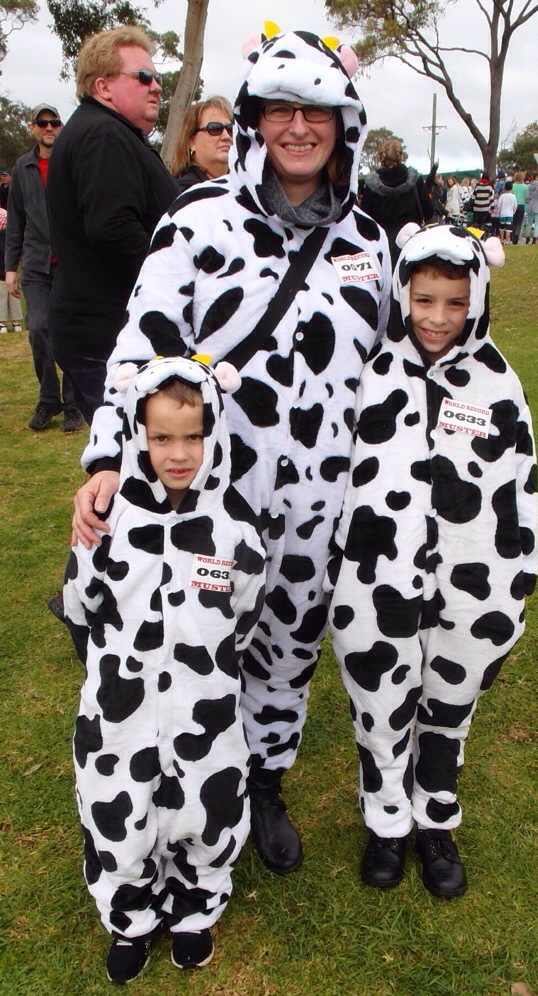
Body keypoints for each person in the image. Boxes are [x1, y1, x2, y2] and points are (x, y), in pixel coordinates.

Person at [71, 27, 391, 877]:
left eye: (316, 110)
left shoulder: (370, 243)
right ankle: (184, 789)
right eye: (280, 109)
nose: (298, 127)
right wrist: (107, 459)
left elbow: (393, 375)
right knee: (198, 649)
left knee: (289, 647)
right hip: (210, 500)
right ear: (254, 119)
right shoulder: (196, 220)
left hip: (322, 505)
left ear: (343, 122)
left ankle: (263, 784)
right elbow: (140, 347)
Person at [327, 222, 538, 897]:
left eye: (454, 302)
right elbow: (339, 477)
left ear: (476, 300)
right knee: (380, 705)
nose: (438, 318)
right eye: (424, 300)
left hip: (472, 583)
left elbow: (521, 486)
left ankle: (435, 818)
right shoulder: (373, 374)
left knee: (448, 706)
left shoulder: (498, 382)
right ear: (403, 295)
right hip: (376, 579)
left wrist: (517, 578)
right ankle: (387, 820)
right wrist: (339, 566)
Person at [63, 355, 265, 984]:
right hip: (119, 708)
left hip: (206, 705)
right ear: (137, 435)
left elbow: (245, 613)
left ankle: (196, 909)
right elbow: (80, 602)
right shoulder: (110, 518)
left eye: (193, 436)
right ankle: (129, 917)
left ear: (214, 434)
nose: (179, 454)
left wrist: (206, 666)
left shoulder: (234, 529)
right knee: (117, 808)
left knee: (210, 805)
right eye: (161, 437)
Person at [46, 25, 179, 425]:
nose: (156, 86)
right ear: (103, 87)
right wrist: (173, 283)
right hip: (108, 338)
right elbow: (112, 228)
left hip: (104, 332)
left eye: (156, 76)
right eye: (143, 76)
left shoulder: (109, 132)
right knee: (130, 453)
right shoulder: (103, 134)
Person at [5, 104, 83, 432]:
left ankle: (73, 404)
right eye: (42, 122)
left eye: (54, 122)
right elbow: (16, 220)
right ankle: (48, 399)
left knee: (68, 333)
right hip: (35, 265)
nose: (49, 127)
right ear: (33, 128)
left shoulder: (72, 162)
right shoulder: (22, 167)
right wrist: (10, 267)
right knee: (37, 329)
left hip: (69, 265)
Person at [360, 137, 434, 264]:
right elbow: (428, 211)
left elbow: (364, 219)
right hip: (410, 244)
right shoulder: (415, 180)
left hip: (381, 246)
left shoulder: (372, 185)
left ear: (381, 157)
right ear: (400, 156)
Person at [168, 95, 233, 190]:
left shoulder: (246, 190)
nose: (226, 136)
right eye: (215, 128)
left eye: (230, 129)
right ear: (191, 141)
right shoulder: (181, 193)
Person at [522, 171, 538, 244]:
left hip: (531, 204)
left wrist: (530, 200)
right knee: (537, 223)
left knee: (529, 222)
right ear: (536, 177)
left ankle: (527, 237)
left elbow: (527, 196)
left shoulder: (529, 185)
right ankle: (534, 238)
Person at [510, 171, 527, 244]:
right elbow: (526, 196)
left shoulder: (513, 186)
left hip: (514, 205)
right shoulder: (525, 186)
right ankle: (517, 233)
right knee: (519, 222)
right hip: (521, 205)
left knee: (514, 221)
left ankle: (513, 236)